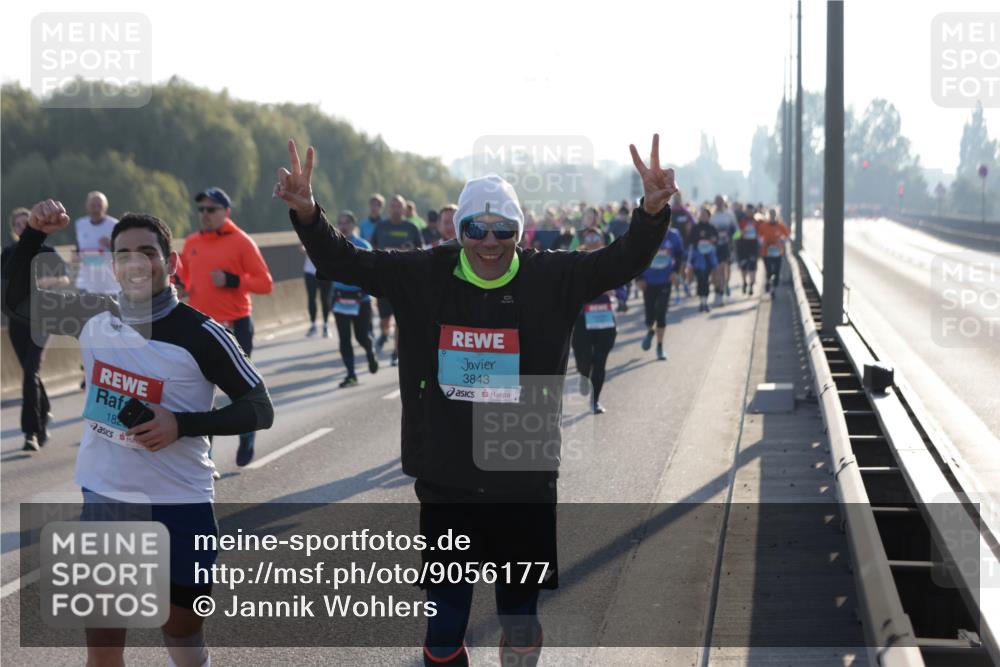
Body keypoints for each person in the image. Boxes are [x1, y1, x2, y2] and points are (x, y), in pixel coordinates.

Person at [275, 134, 676, 667]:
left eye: (503, 230)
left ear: (519, 230)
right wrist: (307, 213)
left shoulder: (551, 276)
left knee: (520, 618)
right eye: (476, 229)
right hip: (447, 479)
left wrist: (650, 212)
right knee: (444, 628)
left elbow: (621, 261)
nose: (490, 241)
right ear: (459, 229)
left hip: (522, 473)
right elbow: (346, 262)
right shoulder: (423, 273)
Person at [5, 198, 274, 667]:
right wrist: (33, 235)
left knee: (183, 637)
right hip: (107, 498)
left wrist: (183, 425)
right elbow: (18, 302)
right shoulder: (90, 314)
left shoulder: (202, 333)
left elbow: (259, 408)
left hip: (182, 503)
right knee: (104, 653)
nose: (135, 262)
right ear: (112, 266)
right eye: (124, 254)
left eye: (147, 252)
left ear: (169, 263)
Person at [176, 187, 274, 466]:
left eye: (211, 209)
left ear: (225, 212)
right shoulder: (192, 242)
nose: (205, 214)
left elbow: (265, 283)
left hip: (235, 326)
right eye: (202, 210)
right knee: (200, 395)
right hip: (201, 329)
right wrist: (179, 288)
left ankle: (247, 435)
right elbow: (183, 280)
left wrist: (232, 281)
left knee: (238, 392)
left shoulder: (242, 242)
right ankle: (206, 457)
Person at [1, 207, 69, 451]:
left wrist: (49, 281)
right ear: (14, 228)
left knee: (30, 373)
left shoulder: (46, 251)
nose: (22, 226)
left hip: (43, 319)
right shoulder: (8, 253)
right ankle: (45, 409)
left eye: (25, 222)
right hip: (17, 323)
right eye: (18, 224)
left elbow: (65, 277)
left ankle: (31, 431)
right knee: (31, 375)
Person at [370, 194, 423, 367]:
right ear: (389, 208)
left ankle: (396, 352)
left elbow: (421, 251)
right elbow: (372, 249)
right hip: (384, 280)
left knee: (401, 319)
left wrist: (408, 252)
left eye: (399, 206)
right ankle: (385, 334)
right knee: (385, 319)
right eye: (392, 206)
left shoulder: (412, 228)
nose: (396, 209)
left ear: (404, 208)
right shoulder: (381, 227)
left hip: (405, 281)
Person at [571, 227, 619, 413]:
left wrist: (614, 291)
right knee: (584, 360)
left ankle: (595, 401)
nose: (592, 239)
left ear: (601, 239)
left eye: (595, 236)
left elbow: (623, 287)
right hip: (582, 319)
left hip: (604, 318)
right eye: (588, 236)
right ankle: (583, 374)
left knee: (600, 361)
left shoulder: (610, 260)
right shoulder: (574, 260)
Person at [330, 210, 379, 387]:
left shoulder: (363, 244)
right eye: (340, 223)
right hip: (340, 298)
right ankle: (351, 374)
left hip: (360, 299)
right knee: (344, 339)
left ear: (353, 225)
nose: (343, 226)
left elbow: (371, 270)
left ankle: (370, 350)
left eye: (346, 223)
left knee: (361, 337)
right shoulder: (333, 244)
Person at [637, 215, 685, 360]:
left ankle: (659, 346)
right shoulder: (646, 234)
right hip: (648, 281)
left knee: (661, 313)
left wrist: (675, 272)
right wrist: (639, 278)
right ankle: (650, 332)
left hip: (665, 280)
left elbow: (680, 254)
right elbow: (637, 256)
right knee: (649, 315)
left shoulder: (674, 236)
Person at [73, 191, 120, 296]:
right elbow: (78, 251)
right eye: (92, 205)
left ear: (105, 207)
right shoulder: (80, 224)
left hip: (108, 283)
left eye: (99, 205)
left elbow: (123, 253)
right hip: (85, 283)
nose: (96, 209)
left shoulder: (114, 225)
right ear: (87, 207)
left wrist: (111, 245)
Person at [689, 207, 719, 313]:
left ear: (708, 216)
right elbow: (691, 240)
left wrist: (711, 241)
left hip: (709, 258)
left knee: (705, 279)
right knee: (700, 279)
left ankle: (705, 302)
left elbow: (716, 239)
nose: (703, 217)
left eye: (705, 215)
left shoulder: (712, 228)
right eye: (701, 215)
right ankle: (701, 301)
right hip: (698, 258)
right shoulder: (695, 228)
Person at [709, 195, 737, 305]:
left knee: (723, 270)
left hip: (726, 247)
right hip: (714, 248)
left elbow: (737, 232)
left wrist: (731, 241)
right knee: (715, 272)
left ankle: (720, 294)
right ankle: (717, 291)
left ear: (724, 202)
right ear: (715, 203)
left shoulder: (729, 215)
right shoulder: (712, 216)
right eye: (717, 202)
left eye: (721, 202)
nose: (719, 204)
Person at [302, 243, 332, 337]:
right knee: (311, 298)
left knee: (325, 299)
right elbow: (302, 246)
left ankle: (326, 325)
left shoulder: (328, 232)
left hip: (325, 271)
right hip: (310, 272)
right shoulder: (307, 230)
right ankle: (313, 325)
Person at [758, 208, 791, 294]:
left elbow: (787, 236)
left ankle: (774, 288)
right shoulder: (763, 226)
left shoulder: (781, 226)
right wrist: (763, 241)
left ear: (776, 215)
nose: (772, 217)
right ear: (768, 215)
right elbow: (759, 237)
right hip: (766, 252)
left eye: (773, 215)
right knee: (769, 270)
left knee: (777, 271)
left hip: (778, 252)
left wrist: (781, 240)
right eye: (770, 215)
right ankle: (768, 282)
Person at [733, 205, 761, 296]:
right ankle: (744, 282)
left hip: (753, 247)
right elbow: (735, 236)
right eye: (748, 211)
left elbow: (761, 234)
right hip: (743, 247)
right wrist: (742, 232)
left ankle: (751, 285)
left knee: (752, 266)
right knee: (744, 267)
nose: (750, 213)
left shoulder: (757, 222)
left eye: (751, 211)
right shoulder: (742, 222)